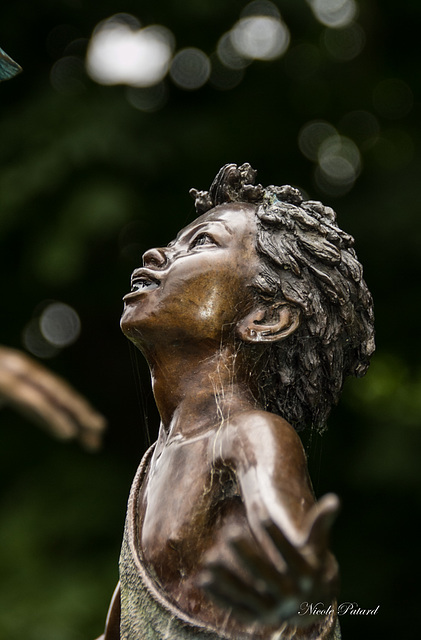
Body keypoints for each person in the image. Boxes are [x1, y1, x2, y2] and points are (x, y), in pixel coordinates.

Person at [99, 163, 375, 640]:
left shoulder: (251, 434)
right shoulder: (152, 464)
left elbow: (289, 542)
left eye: (202, 242)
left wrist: (305, 583)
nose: (157, 252)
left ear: (266, 317)